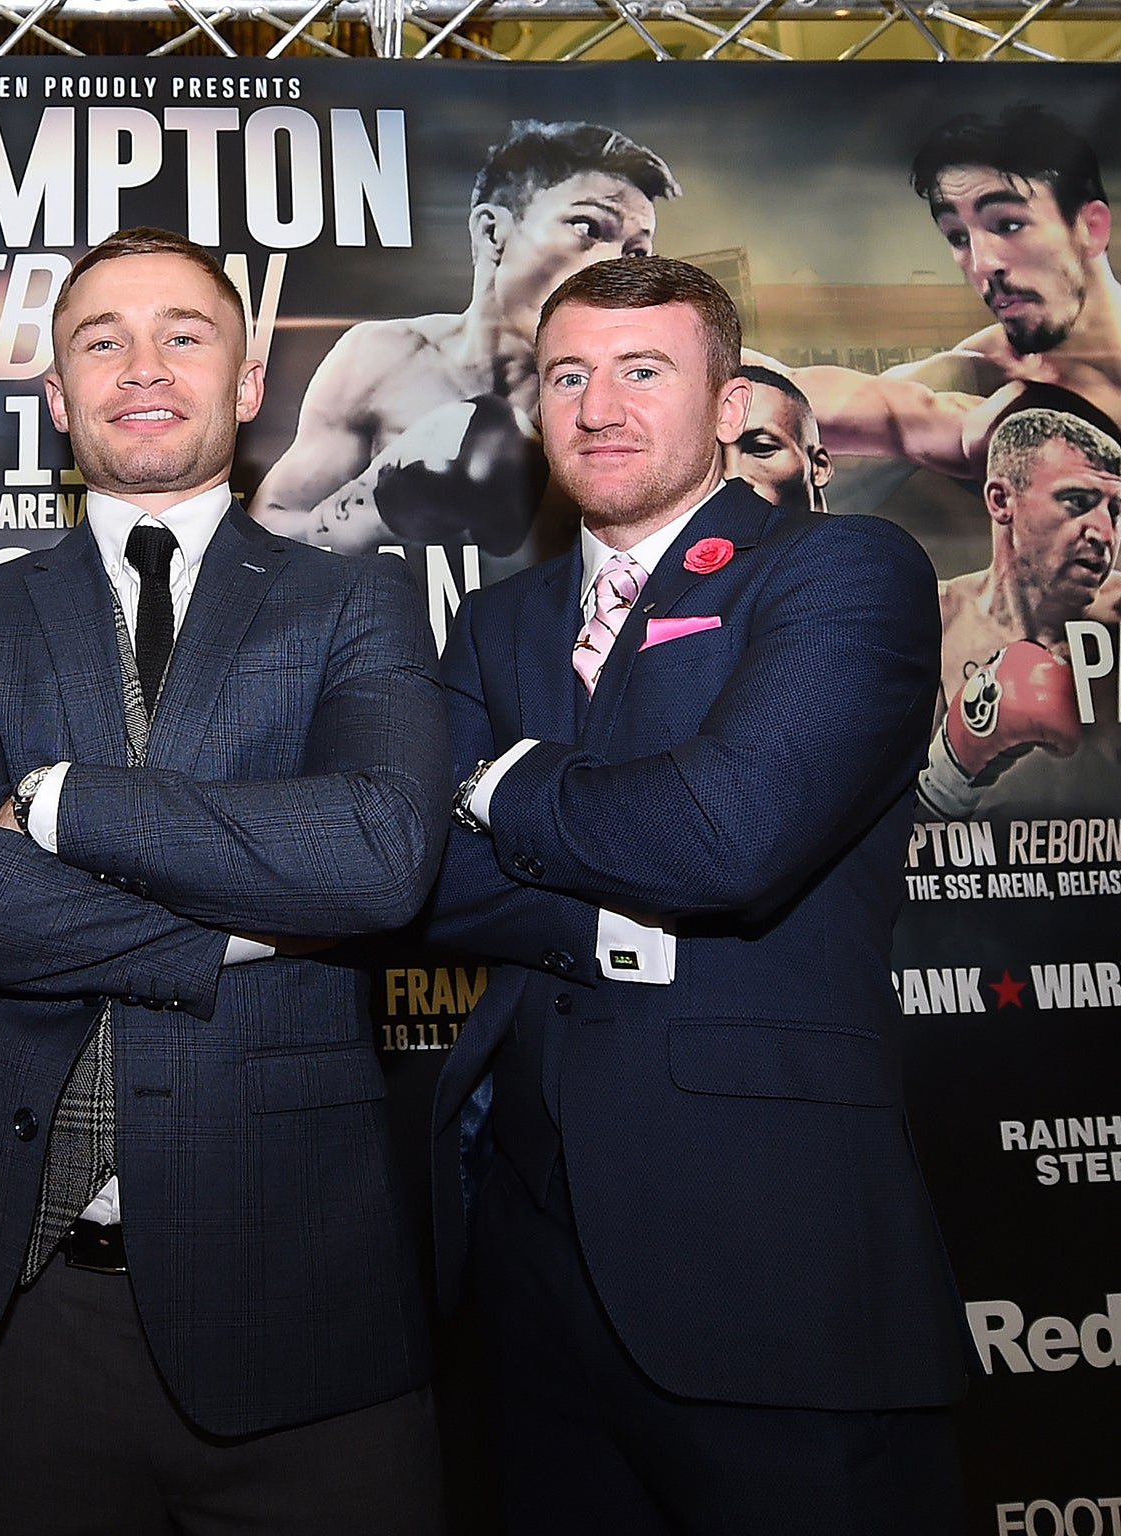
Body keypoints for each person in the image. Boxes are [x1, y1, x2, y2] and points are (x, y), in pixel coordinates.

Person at [0, 227, 447, 1535]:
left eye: (185, 331)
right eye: (99, 339)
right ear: (57, 397)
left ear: (245, 383)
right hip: (23, 1300)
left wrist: (58, 804)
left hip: (302, 1296)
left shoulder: (356, 606)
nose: (143, 365)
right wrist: (222, 935)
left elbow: (380, 855)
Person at [426, 255, 968, 1534]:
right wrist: (619, 907)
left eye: (642, 371)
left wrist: (500, 787)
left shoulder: (839, 574)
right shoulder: (496, 626)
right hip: (525, 1266)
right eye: (569, 375)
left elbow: (728, 836)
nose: (599, 406)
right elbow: (419, 879)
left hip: (768, 1256)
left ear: (728, 408)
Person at [251, 119, 676, 555]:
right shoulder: (384, 356)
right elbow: (269, 535)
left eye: (636, 252)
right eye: (587, 227)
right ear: (493, 233)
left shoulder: (632, 402)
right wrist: (372, 506)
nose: (613, 266)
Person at [789, 104, 1121, 479]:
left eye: (1008, 225)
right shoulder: (976, 375)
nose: (982, 264)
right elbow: (798, 399)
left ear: (1091, 228)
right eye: (958, 237)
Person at [919, 406, 1119, 816]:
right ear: (1001, 500)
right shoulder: (932, 623)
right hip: (975, 877)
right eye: (1077, 501)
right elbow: (884, 827)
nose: (1104, 533)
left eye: (1115, 510)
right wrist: (953, 770)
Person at [724, 364, 833, 514]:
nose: (732, 477)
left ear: (819, 467)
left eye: (762, 448)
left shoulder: (867, 535)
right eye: (709, 460)